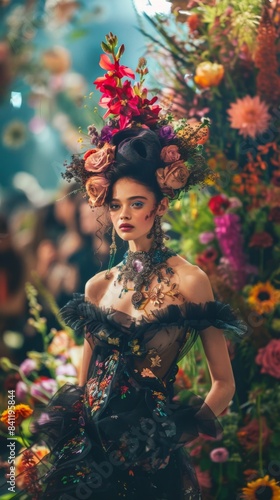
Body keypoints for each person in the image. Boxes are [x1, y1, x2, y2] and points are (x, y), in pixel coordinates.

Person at [10, 34, 247, 500]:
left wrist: (171, 435)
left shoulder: (190, 280)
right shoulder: (99, 286)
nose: (122, 215)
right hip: (89, 455)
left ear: (159, 207)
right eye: (116, 204)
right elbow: (81, 390)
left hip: (150, 458)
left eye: (136, 204)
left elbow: (224, 383)